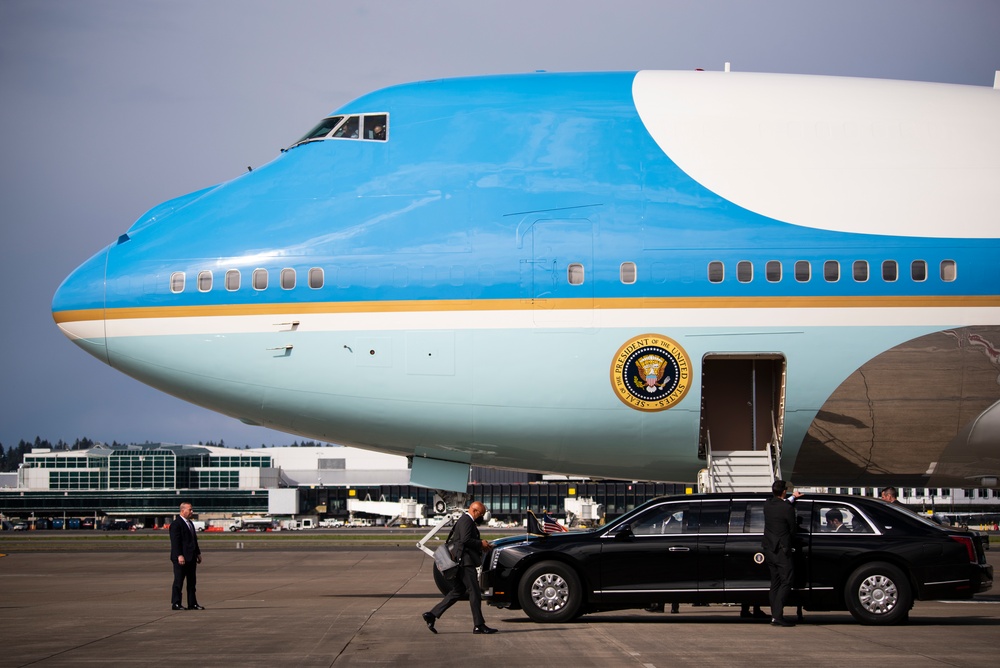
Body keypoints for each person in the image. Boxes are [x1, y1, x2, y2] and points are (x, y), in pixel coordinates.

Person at [422, 501, 498, 634]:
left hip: (461, 561)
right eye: (481, 514)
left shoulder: (465, 521)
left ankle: (432, 615)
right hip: (465, 562)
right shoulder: (466, 521)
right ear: (474, 511)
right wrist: (481, 543)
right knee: (474, 591)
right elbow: (465, 540)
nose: (482, 517)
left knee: (458, 590)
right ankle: (479, 625)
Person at [762, 480, 801, 627]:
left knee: (775, 582)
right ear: (784, 491)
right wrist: (793, 499)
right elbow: (792, 529)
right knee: (787, 580)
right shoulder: (787, 508)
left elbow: (780, 504)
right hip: (782, 549)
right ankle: (778, 616)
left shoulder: (767, 504)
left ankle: (774, 615)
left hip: (769, 547)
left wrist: (792, 498)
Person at [169, 501, 203, 610]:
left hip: (191, 557)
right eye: (190, 509)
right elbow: (175, 542)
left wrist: (198, 553)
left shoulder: (190, 523)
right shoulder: (176, 524)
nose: (192, 511)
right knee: (179, 581)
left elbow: (193, 540)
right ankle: (176, 603)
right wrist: (179, 555)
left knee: (192, 582)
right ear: (183, 510)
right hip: (181, 558)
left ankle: (192, 603)